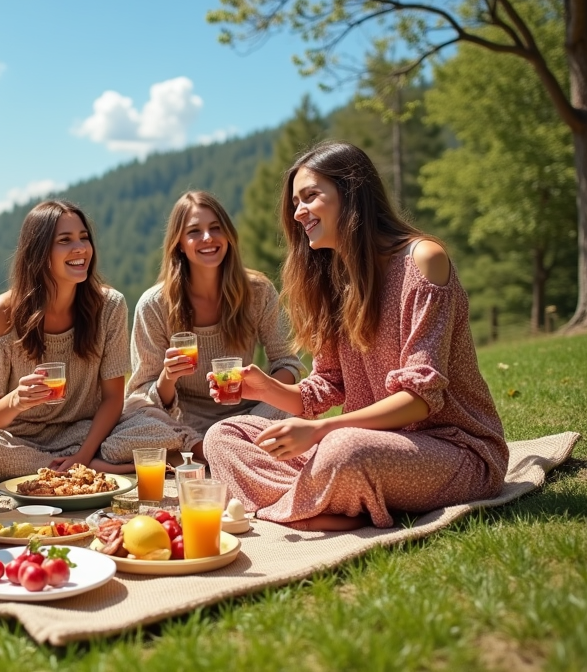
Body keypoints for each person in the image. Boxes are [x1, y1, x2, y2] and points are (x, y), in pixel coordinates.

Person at [203, 142, 509, 531]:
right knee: (224, 435)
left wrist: (322, 430)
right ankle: (321, 503)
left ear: (352, 193)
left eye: (310, 196)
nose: (298, 213)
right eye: (295, 202)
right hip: (371, 445)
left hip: (454, 450)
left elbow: (419, 401)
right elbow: (327, 385)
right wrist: (264, 389)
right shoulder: (334, 277)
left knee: (342, 449)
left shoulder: (423, 261)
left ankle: (299, 504)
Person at [0, 200, 192, 486]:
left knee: (155, 427)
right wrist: (16, 400)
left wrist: (84, 455)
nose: (80, 248)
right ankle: (101, 468)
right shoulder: (3, 313)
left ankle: (69, 470)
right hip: (20, 441)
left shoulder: (109, 306)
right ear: (39, 252)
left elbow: (114, 398)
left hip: (87, 434)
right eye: (65, 240)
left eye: (84, 238)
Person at [124, 191, 304, 460]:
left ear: (228, 236)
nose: (208, 238)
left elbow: (287, 363)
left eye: (216, 228)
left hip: (251, 415)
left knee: (302, 404)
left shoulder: (257, 291)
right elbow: (141, 394)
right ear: (179, 244)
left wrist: (261, 387)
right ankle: (219, 451)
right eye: (195, 231)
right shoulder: (154, 304)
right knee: (133, 417)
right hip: (184, 424)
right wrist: (168, 376)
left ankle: (220, 451)